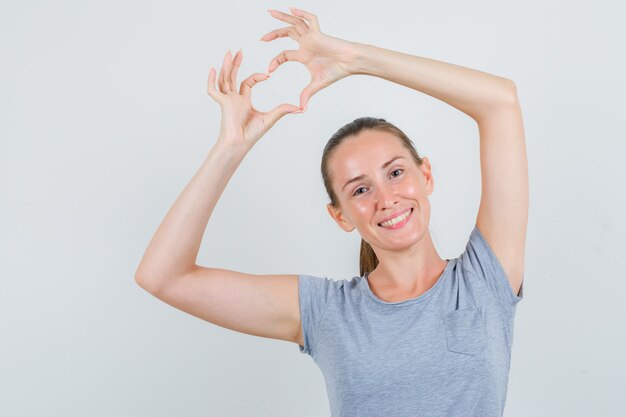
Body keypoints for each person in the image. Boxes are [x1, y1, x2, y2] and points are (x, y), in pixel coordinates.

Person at [135, 7, 528, 417]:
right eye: (360, 189)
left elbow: (500, 101)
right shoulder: (327, 312)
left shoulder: (485, 279)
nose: (386, 197)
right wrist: (231, 147)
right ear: (340, 216)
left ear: (425, 175)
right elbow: (162, 276)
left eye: (395, 172)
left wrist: (356, 59)